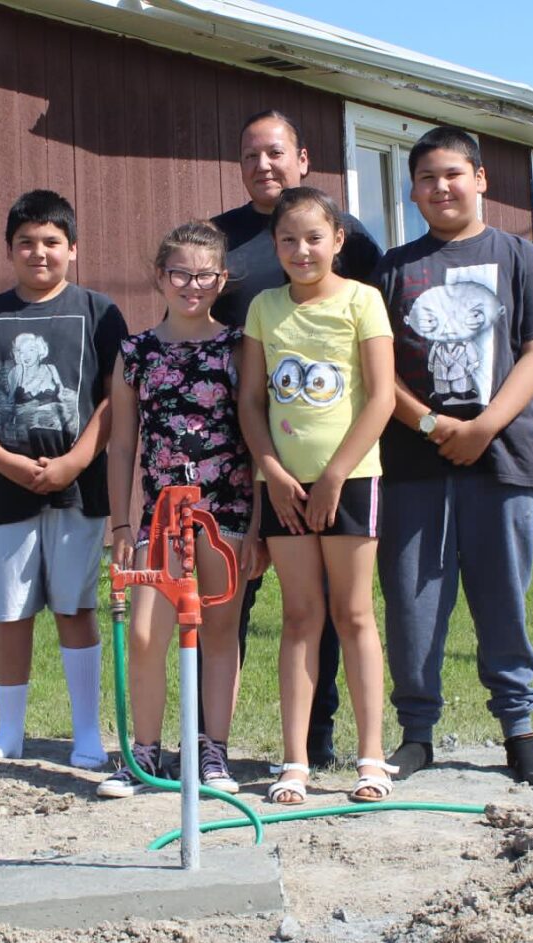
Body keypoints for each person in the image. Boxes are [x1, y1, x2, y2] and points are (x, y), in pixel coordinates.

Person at [374, 126, 533, 786]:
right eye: (427, 177)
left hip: (503, 462)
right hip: (412, 467)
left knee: (502, 603)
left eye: (452, 174)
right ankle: (416, 734)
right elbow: (377, 371)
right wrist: (433, 423)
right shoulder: (393, 268)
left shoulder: (521, 258)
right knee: (411, 605)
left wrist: (484, 425)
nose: (440, 187)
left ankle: (518, 731)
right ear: (412, 191)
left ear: (480, 178)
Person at [212, 108, 383, 768]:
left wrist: (343, 463)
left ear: (302, 159)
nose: (263, 164)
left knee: (336, 609)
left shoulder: (353, 243)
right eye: (251, 154)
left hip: (337, 452)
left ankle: (319, 739)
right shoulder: (221, 238)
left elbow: (372, 354)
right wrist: (264, 459)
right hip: (249, 456)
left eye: (275, 152)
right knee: (236, 595)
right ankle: (213, 745)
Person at [0, 189, 127, 767]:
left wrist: (75, 460)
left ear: (72, 248)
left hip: (81, 488)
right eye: (26, 242)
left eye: (51, 242)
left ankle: (88, 735)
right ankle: (9, 733)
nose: (39, 252)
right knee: (11, 610)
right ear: (9, 250)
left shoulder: (98, 312)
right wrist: (5, 461)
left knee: (74, 606)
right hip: (4, 490)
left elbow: (115, 399)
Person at [96, 220, 265, 798]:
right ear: (159, 277)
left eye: (204, 275)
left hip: (229, 513)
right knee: (145, 634)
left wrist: (260, 524)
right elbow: (121, 444)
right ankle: (143, 755)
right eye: (179, 274)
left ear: (222, 279)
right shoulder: (135, 353)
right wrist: (121, 523)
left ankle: (211, 753)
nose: (192, 285)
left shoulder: (241, 347)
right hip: (159, 517)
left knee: (220, 631)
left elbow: (258, 434)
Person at [239, 186, 396, 805]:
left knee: (354, 614)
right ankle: (296, 762)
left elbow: (382, 396)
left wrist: (333, 476)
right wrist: (273, 470)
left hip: (352, 480)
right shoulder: (263, 308)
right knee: (300, 617)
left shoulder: (364, 301)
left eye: (313, 238)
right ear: (274, 246)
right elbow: (251, 401)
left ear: (338, 241)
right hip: (282, 486)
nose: (301, 250)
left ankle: (372, 758)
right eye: (287, 240)